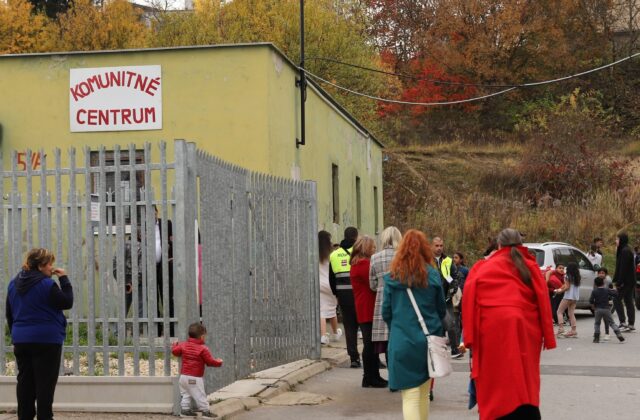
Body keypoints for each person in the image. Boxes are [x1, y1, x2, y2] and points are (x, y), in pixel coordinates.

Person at [462, 229, 556, 420]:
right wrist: (547, 333)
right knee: (524, 375)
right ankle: (527, 409)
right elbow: (544, 302)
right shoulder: (530, 266)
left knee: (497, 379)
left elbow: (469, 298)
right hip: (526, 328)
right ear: (521, 245)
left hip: (491, 329)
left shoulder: (482, 267)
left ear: (498, 245)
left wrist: (469, 337)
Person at [382, 230, 446, 420]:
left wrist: (399, 327)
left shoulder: (393, 278)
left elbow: (386, 311)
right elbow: (441, 310)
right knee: (424, 393)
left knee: (409, 396)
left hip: (402, 340)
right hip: (428, 341)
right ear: (426, 249)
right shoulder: (432, 276)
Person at [5, 248, 74, 420]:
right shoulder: (47, 284)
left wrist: (17, 334)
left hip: (21, 340)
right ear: (41, 265)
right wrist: (64, 278)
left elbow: (9, 313)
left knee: (25, 384)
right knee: (45, 386)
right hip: (47, 341)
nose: (52, 267)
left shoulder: (13, 284)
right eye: (49, 263)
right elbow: (66, 302)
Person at [350, 235, 387, 388]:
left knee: (369, 343)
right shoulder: (364, 264)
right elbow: (374, 281)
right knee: (370, 344)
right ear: (366, 248)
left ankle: (372, 376)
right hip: (368, 306)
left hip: (363, 306)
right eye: (372, 247)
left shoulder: (356, 263)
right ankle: (370, 377)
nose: (375, 249)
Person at [172, 322, 223, 418]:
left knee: (186, 393)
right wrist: (219, 362)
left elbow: (175, 352)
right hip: (195, 377)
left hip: (183, 377)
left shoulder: (183, 345)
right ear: (202, 336)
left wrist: (174, 345)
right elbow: (210, 362)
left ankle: (185, 410)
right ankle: (206, 412)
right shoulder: (203, 349)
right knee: (200, 395)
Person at [329, 227, 361, 368]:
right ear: (355, 237)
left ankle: (354, 358)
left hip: (343, 296)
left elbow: (331, 279)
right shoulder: (359, 252)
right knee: (365, 326)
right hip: (359, 294)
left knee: (349, 327)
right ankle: (371, 357)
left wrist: (337, 294)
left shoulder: (334, 255)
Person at [369, 226, 402, 360]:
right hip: (401, 301)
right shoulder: (403, 257)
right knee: (400, 339)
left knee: (387, 342)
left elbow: (372, 284)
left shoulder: (375, 258)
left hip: (382, 301)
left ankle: (392, 373)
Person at [431, 237, 461, 359]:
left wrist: (453, 288)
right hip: (431, 299)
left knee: (451, 324)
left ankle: (454, 349)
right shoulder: (426, 260)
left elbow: (456, 276)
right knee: (434, 325)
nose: (439, 248)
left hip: (446, 298)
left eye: (441, 246)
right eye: (437, 246)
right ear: (431, 246)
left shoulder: (448, 261)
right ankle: (436, 351)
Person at [318, 231, 342, 344]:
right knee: (332, 309)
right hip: (330, 284)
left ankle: (323, 336)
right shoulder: (332, 253)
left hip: (319, 284)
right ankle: (335, 333)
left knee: (322, 309)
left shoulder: (315, 253)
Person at [154, 205, 174, 336]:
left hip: (165, 266)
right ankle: (156, 330)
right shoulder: (141, 226)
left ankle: (171, 330)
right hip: (148, 268)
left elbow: (174, 241)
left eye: (153, 211)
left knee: (167, 297)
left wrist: (173, 256)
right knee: (152, 299)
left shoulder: (166, 224)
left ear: (156, 212)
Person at [590, 276, 625, 343]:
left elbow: (591, 300)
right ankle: (619, 334)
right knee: (612, 323)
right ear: (603, 282)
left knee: (597, 323)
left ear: (595, 284)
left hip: (598, 309)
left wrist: (593, 307)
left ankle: (596, 338)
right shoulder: (607, 290)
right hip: (606, 309)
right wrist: (615, 289)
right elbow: (615, 294)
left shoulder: (594, 291)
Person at [613, 231, 636, 332]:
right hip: (629, 281)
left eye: (617, 239)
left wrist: (619, 282)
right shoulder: (625, 249)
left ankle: (623, 322)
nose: (616, 241)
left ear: (621, 240)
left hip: (626, 281)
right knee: (628, 301)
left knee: (617, 299)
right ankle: (630, 324)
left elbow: (623, 268)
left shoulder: (625, 251)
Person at [555, 262, 581, 338]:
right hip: (575, 297)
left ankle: (561, 329)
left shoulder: (567, 276)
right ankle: (573, 330)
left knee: (559, 311)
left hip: (568, 297)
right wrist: (560, 288)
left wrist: (560, 291)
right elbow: (566, 285)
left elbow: (567, 287)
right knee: (571, 313)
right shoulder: (577, 277)